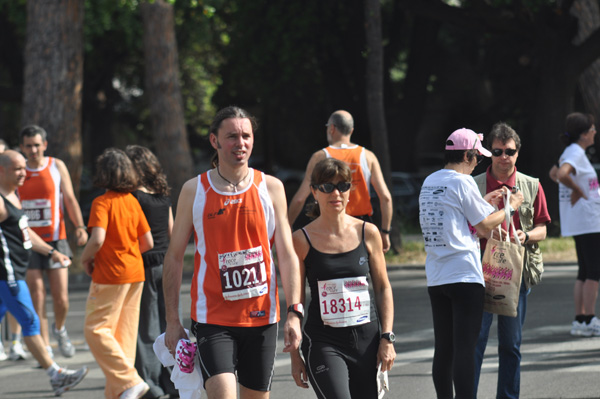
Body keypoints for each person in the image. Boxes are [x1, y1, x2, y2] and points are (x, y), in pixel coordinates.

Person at [163, 106, 303, 399]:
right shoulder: (194, 190)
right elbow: (174, 257)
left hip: (261, 317)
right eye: (232, 137)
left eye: (246, 136)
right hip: (212, 317)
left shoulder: (272, 187)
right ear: (214, 141)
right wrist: (172, 321)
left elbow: (287, 255)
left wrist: (294, 312)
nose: (241, 143)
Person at [419, 128, 524, 399]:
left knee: (444, 349)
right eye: (478, 157)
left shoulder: (430, 181)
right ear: (467, 154)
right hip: (464, 276)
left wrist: (484, 203)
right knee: (465, 349)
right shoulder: (462, 182)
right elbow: (485, 225)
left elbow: (457, 219)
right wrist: (509, 207)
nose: (479, 163)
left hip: (436, 276)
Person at [289, 158, 396, 398]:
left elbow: (382, 288)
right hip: (323, 340)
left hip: (366, 341)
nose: (336, 193)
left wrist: (387, 337)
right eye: (327, 187)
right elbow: (294, 302)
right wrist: (295, 356)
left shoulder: (368, 232)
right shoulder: (301, 239)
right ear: (314, 192)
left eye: (343, 186)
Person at [472, 123, 550, 399]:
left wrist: (525, 234)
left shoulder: (531, 185)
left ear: (517, 153)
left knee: (511, 344)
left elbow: (542, 228)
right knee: (475, 343)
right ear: (489, 153)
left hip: (516, 273)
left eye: (509, 151)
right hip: (479, 272)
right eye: (497, 151)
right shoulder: (474, 184)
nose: (503, 156)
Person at [0, 150, 88, 396]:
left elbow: (25, 233)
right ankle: (56, 374)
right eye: (17, 168)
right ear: (2, 170)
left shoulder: (13, 196)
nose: (23, 172)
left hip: (14, 270)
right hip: (8, 276)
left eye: (23, 167)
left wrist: (52, 252)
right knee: (30, 321)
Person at [81, 148, 154, 399]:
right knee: (123, 337)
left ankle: (130, 382)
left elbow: (97, 239)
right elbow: (147, 243)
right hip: (135, 272)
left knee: (96, 330)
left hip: (110, 274)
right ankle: (121, 393)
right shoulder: (132, 201)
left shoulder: (102, 202)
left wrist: (84, 257)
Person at [17, 125, 88, 358]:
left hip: (57, 240)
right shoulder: (17, 170)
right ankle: (45, 345)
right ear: (22, 147)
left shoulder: (56, 166)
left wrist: (79, 227)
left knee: (61, 297)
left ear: (44, 145)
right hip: (27, 241)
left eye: (37, 145)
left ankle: (60, 329)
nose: (33, 150)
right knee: (37, 294)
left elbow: (69, 197)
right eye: (28, 145)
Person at [288, 110, 393, 252]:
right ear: (351, 130)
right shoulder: (368, 156)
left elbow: (300, 198)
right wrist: (385, 232)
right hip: (362, 225)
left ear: (331, 128)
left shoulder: (320, 156)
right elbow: (386, 198)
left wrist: (287, 224)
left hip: (328, 225)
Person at [125, 145, 177, 399]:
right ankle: (174, 381)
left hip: (142, 266)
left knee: (146, 328)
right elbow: (172, 230)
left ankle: (150, 384)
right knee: (169, 326)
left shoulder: (132, 197)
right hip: (166, 264)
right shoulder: (163, 195)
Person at [552, 112, 600, 337]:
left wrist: (575, 186)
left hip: (582, 220)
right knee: (594, 271)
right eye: (592, 129)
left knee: (584, 271)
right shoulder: (575, 152)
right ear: (583, 134)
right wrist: (577, 190)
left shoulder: (572, 151)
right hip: (588, 221)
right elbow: (560, 174)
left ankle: (580, 319)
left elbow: (553, 172)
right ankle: (590, 318)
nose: (594, 133)